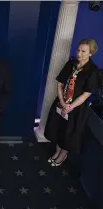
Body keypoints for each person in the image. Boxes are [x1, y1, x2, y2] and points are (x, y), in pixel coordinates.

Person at [44, 39, 99, 167]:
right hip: (61, 103)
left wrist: (70, 107)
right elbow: (60, 84)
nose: (79, 53)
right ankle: (57, 151)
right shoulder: (71, 64)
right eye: (78, 50)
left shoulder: (92, 71)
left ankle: (63, 155)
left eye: (83, 51)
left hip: (76, 109)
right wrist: (62, 103)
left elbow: (86, 94)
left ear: (91, 53)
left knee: (69, 133)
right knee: (58, 128)